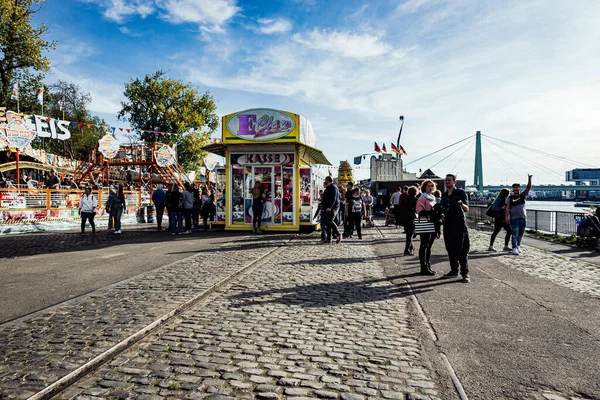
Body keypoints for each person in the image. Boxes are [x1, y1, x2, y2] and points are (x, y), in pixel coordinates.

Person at [439, 174, 470, 282]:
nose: (447, 182)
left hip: (459, 224)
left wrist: (461, 204)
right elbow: (442, 209)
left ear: (454, 182)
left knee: (462, 248)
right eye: (446, 180)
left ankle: (465, 273)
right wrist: (441, 214)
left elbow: (467, 208)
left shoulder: (460, 193)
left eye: (449, 180)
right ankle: (454, 270)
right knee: (450, 248)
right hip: (448, 224)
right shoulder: (445, 195)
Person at [416, 180, 439, 275]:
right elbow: (419, 211)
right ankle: (423, 267)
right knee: (424, 245)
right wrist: (431, 212)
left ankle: (428, 265)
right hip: (425, 222)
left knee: (429, 246)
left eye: (431, 186)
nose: (430, 187)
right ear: (424, 187)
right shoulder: (422, 198)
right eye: (428, 186)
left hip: (433, 223)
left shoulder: (433, 198)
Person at [505, 175, 533, 255]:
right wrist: (506, 217)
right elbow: (507, 208)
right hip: (514, 218)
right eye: (514, 187)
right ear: (512, 189)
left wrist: (529, 179)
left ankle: (518, 246)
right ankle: (514, 248)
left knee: (521, 233)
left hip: (523, 217)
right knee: (515, 233)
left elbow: (528, 188)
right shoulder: (509, 198)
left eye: (517, 187)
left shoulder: (522, 196)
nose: (515, 188)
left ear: (519, 188)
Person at [321, 176, 341, 243]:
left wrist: (330, 207)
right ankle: (329, 239)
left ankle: (338, 234)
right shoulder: (329, 187)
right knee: (328, 223)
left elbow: (334, 198)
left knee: (330, 221)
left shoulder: (333, 187)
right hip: (328, 208)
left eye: (325, 180)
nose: (325, 181)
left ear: (328, 180)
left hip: (332, 208)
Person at [401, 186, 418, 255]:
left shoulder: (405, 199)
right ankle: (406, 250)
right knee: (410, 235)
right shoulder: (416, 200)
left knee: (408, 234)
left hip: (405, 218)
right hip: (412, 218)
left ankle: (411, 247)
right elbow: (416, 210)